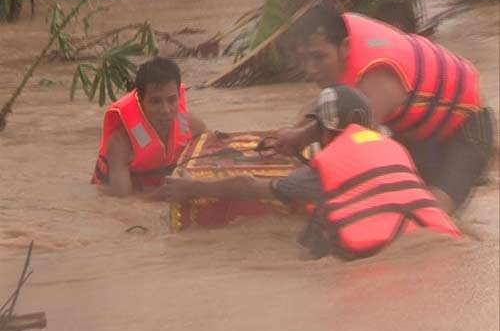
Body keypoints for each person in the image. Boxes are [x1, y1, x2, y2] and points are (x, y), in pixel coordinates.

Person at [162, 86, 460, 260]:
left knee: (307, 242)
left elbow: (249, 186)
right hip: (433, 242)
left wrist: (193, 189)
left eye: (317, 126)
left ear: (325, 127)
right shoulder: (393, 149)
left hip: (379, 257)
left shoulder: (328, 168)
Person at [275, 3, 495, 214]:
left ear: (345, 47)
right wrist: (296, 134)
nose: (310, 69)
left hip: (466, 130)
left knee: (432, 214)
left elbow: (344, 157)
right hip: (416, 131)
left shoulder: (380, 79)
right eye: (304, 58)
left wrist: (267, 187)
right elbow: (324, 109)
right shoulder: (340, 29)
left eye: (319, 58)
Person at [91, 57, 206, 198]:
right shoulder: (121, 144)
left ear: (179, 97)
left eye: (172, 100)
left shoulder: (192, 126)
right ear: (140, 100)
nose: (165, 110)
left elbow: (215, 157)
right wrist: (160, 195)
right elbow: (121, 203)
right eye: (155, 101)